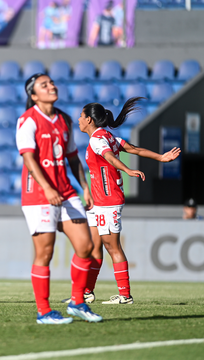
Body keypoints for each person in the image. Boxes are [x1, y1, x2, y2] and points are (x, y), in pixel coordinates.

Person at [74, 98, 180, 305]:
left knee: (111, 246)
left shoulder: (98, 140)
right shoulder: (108, 137)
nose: (78, 119)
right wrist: (160, 157)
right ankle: (86, 292)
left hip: (108, 199)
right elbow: (134, 149)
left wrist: (127, 169)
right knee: (94, 246)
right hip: (98, 202)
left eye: (80, 116)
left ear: (88, 120)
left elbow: (110, 157)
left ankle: (125, 295)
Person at [16, 73, 102, 324]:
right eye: (44, 85)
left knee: (86, 246)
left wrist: (84, 187)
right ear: (33, 95)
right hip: (39, 194)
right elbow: (29, 159)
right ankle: (43, 312)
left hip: (65, 191)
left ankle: (77, 302)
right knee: (45, 252)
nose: (51, 86)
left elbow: (73, 157)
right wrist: (47, 188)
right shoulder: (27, 120)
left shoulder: (64, 119)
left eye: (52, 82)